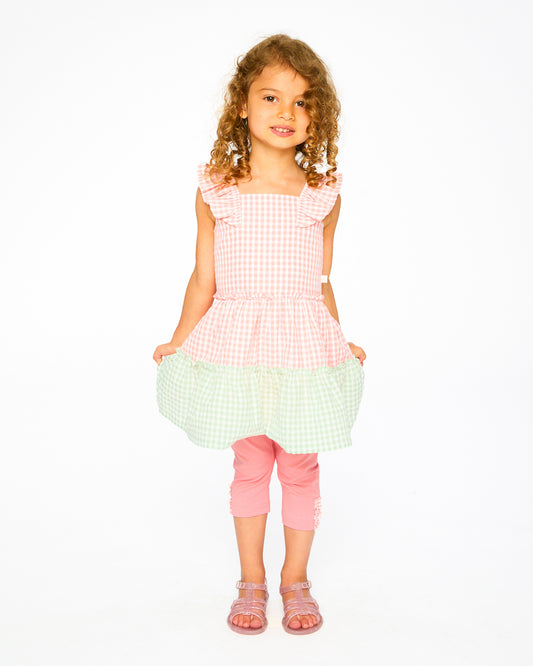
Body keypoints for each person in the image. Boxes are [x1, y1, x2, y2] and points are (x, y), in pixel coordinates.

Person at [153, 33, 366, 635]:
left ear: (317, 116)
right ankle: (251, 579)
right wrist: (179, 338)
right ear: (242, 105)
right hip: (238, 350)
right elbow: (204, 277)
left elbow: (321, 281)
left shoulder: (321, 195)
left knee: (300, 466)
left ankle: (296, 580)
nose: (285, 112)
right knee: (250, 466)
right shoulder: (217, 190)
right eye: (271, 97)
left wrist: (339, 337)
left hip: (302, 349)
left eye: (302, 102)